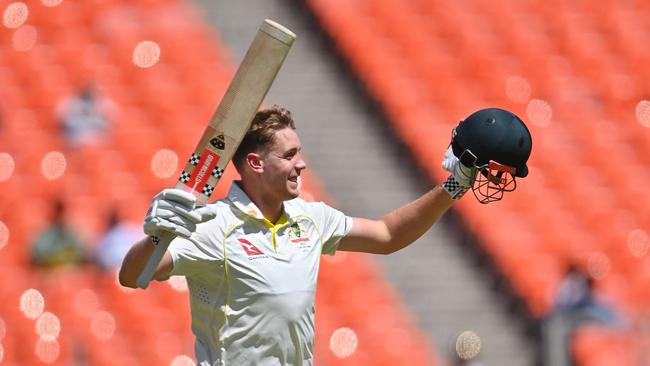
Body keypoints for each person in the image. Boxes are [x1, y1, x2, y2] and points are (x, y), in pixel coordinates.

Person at [119, 106, 532, 365]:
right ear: (254, 163)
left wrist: (454, 187)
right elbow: (133, 276)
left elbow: (388, 235)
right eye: (289, 155)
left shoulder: (309, 218)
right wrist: (158, 236)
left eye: (299, 152)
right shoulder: (211, 226)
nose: (301, 165)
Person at [31, 198, 89, 269]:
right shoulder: (44, 235)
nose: (59, 216)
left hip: (70, 273)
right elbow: (37, 257)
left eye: (61, 212)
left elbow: (82, 254)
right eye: (57, 212)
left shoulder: (71, 234)